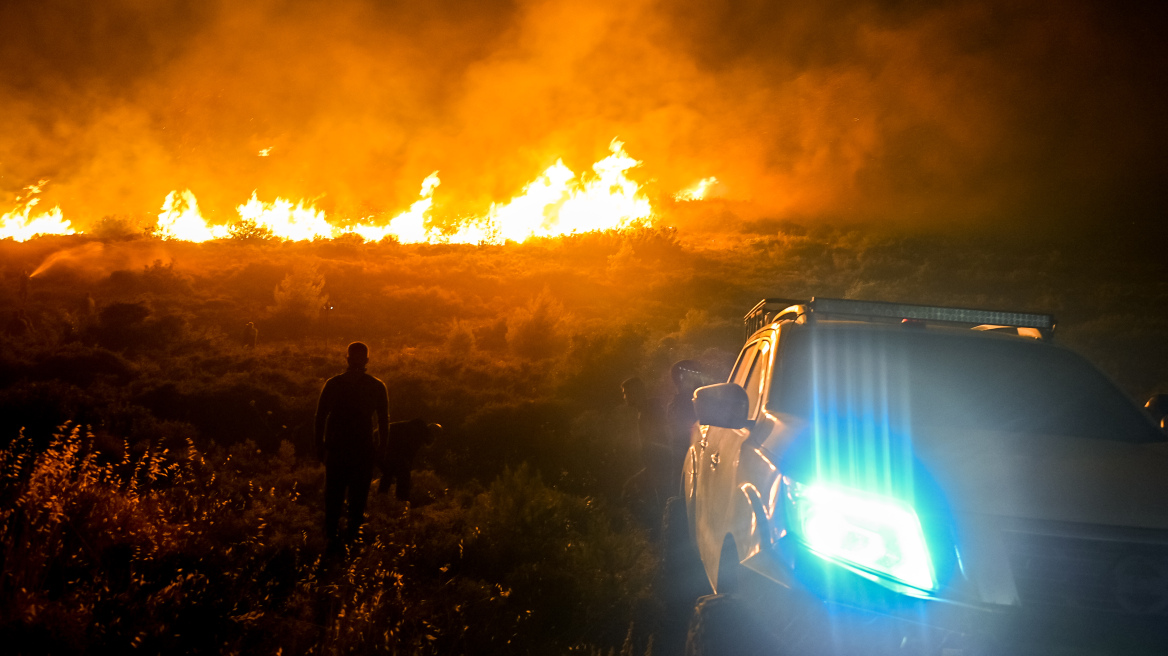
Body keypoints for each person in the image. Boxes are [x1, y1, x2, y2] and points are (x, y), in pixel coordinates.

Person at [315, 341, 389, 550]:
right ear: (367, 360)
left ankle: (330, 540)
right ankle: (351, 541)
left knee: (334, 499)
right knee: (357, 500)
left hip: (337, 450)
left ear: (347, 359)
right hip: (363, 452)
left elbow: (320, 417)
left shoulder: (334, 384)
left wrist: (319, 446)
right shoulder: (376, 386)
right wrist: (382, 449)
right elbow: (383, 420)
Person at [621, 377, 670, 514]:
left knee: (662, 500)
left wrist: (654, 465)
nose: (625, 397)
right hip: (654, 465)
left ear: (634, 393)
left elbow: (658, 440)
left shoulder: (650, 412)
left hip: (659, 465)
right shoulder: (646, 410)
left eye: (626, 393)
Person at [378, 418, 442, 503]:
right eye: (435, 436)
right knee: (402, 475)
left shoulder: (419, 431)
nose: (434, 439)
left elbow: (408, 455)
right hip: (382, 444)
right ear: (432, 432)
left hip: (384, 444)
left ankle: (382, 499)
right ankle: (401, 501)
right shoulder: (418, 433)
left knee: (389, 472)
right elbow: (408, 454)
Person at [665, 360, 703, 497]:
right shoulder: (690, 404)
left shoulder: (674, 406)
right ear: (682, 379)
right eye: (695, 373)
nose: (700, 378)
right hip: (689, 465)